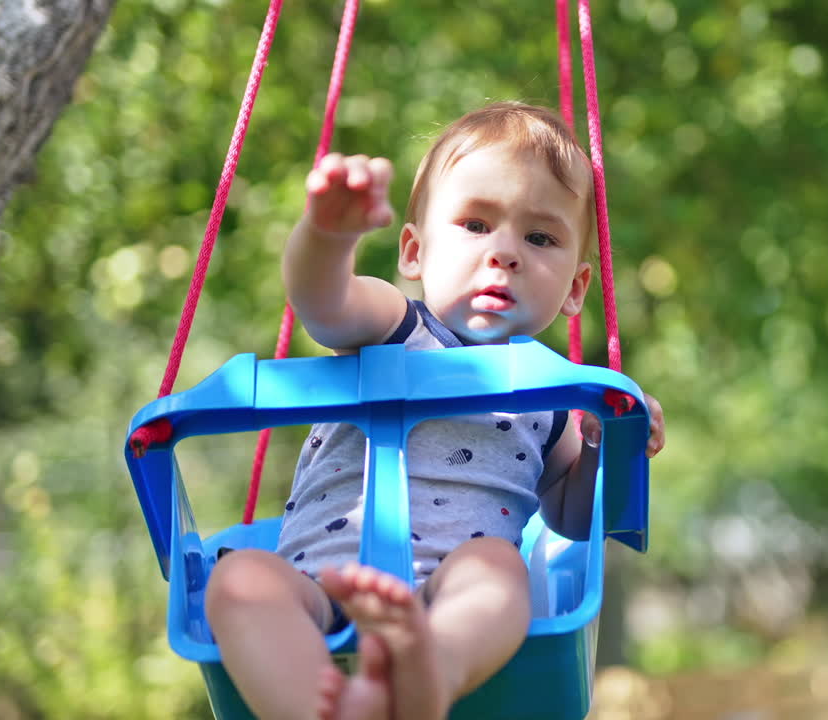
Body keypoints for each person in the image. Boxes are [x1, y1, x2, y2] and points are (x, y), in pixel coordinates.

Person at [205, 101, 666, 720]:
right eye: (476, 225)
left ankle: (431, 672)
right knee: (237, 582)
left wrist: (607, 445)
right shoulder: (393, 326)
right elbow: (322, 300)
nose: (505, 252)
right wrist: (328, 236)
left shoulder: (553, 397)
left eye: (540, 237)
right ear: (413, 252)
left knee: (500, 569)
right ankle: (320, 706)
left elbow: (577, 519)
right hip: (316, 584)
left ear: (576, 289)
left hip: (450, 600)